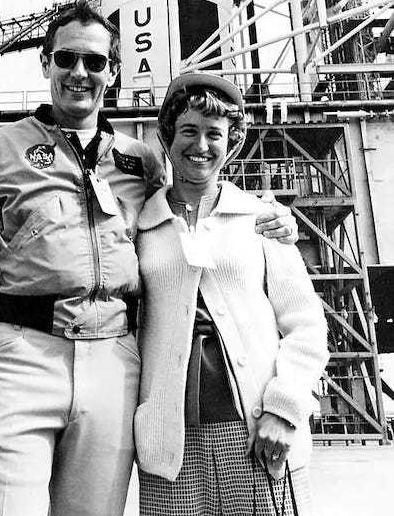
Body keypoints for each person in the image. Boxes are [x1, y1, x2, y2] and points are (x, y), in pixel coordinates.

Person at [0, 2, 298, 516]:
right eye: (67, 58)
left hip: (114, 363)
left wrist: (270, 216)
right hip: (21, 357)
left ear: (113, 72)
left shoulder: (140, 161)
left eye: (96, 62)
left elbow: (195, 209)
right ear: (45, 63)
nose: (81, 72)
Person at [134, 72, 329, 516]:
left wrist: (284, 408)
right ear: (167, 135)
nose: (200, 145)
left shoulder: (260, 219)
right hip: (170, 445)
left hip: (257, 433)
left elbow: (306, 324)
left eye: (214, 134)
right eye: (188, 130)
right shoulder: (141, 226)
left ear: (232, 141)